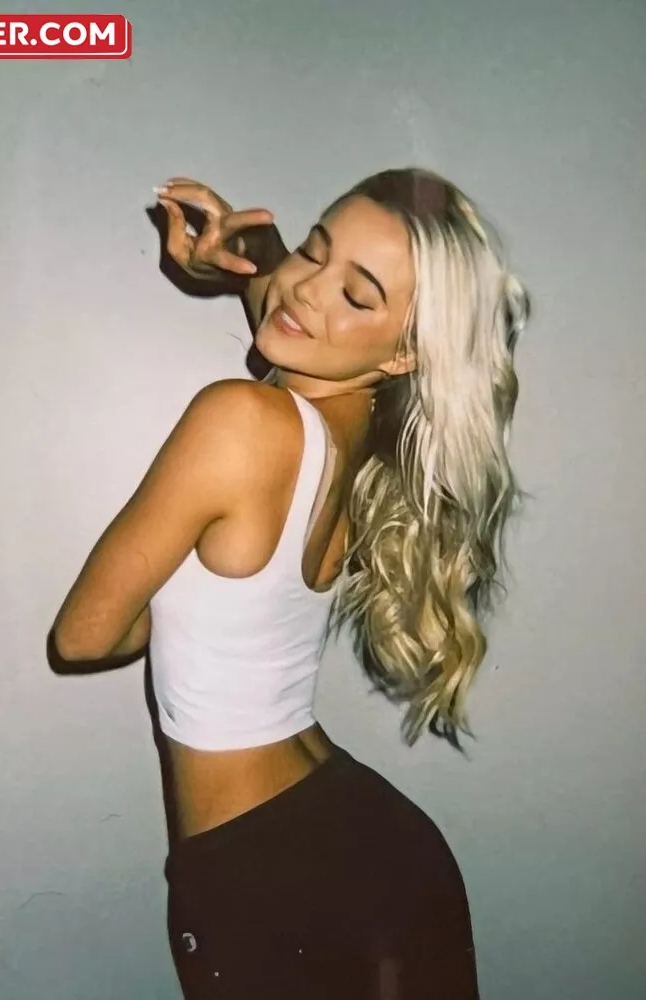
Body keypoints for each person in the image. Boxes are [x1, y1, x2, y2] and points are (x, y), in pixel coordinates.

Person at [48, 167, 529, 999]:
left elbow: (84, 636)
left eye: (358, 293)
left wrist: (173, 587)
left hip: (264, 877)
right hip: (370, 842)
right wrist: (254, 254)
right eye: (315, 247)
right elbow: (300, 311)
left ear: (403, 352)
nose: (307, 289)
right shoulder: (354, 428)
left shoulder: (239, 419)